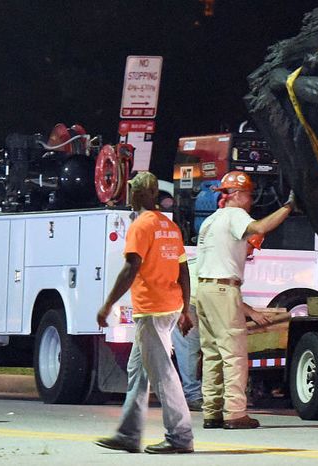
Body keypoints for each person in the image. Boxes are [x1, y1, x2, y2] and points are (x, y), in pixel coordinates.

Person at [94, 171, 195, 454]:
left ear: (140, 194)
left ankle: (180, 436)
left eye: (133, 190)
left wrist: (108, 303)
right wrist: (185, 309)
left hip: (152, 310)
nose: (130, 194)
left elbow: (131, 267)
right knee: (138, 370)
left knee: (162, 373)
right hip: (170, 306)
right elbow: (184, 270)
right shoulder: (170, 226)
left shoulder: (141, 226)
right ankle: (129, 433)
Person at [195, 170, 295, 429]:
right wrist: (289, 206)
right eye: (249, 195)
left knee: (212, 355)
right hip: (222, 290)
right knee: (234, 355)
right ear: (237, 195)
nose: (251, 201)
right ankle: (235, 413)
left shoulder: (211, 221)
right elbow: (260, 227)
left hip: (204, 291)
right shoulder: (235, 215)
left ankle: (212, 411)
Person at [171, 255, 203, 412]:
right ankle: (193, 396)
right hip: (187, 303)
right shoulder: (221, 260)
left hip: (188, 302)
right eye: (251, 248)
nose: (250, 254)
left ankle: (193, 394)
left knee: (190, 349)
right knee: (189, 348)